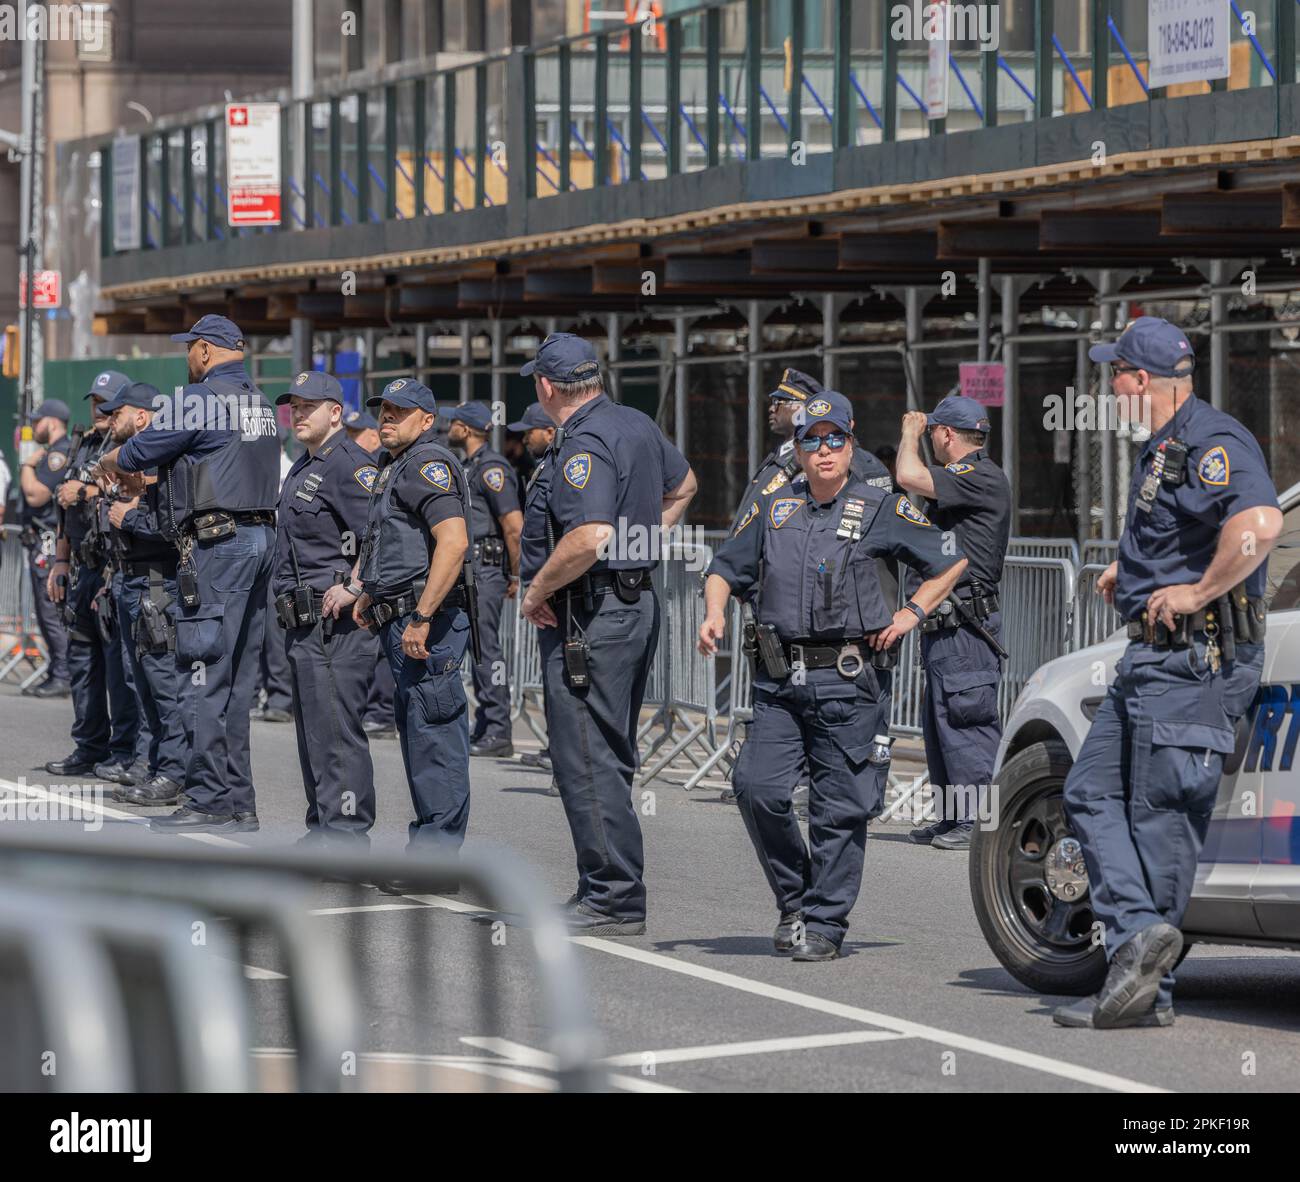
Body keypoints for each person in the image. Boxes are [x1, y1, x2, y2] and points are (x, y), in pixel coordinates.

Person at [1053, 317, 1280, 1029]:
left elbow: (1262, 525)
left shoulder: (1213, 439)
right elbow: (1191, 529)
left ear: (1139, 379)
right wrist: (1141, 571)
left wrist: (1195, 591)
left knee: (1159, 824)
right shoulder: (1168, 445)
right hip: (1154, 659)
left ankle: (1148, 989)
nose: (1109, 386)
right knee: (1088, 790)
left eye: (1113, 373)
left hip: (1194, 661)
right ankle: (1136, 952)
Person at [699, 391, 967, 961]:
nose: (823, 450)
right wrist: (714, 610)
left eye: (834, 438)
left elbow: (951, 558)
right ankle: (796, 899)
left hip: (849, 681)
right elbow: (725, 566)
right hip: (777, 680)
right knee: (757, 788)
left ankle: (824, 923)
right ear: (796, 448)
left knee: (837, 807)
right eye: (810, 440)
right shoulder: (775, 506)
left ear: (851, 443)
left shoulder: (879, 505)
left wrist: (910, 613)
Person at [519, 332, 697, 935]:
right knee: (605, 750)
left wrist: (538, 588)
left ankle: (613, 896)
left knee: (585, 756)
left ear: (547, 387)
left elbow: (589, 536)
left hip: (592, 613)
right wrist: (638, 542)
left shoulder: (585, 442)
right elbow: (685, 486)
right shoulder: (634, 423)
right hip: (625, 604)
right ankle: (609, 887)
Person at [97, 314, 280, 833]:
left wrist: (109, 458)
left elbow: (136, 453)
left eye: (189, 348)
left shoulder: (199, 399)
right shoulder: (259, 402)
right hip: (259, 540)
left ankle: (208, 798)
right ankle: (238, 802)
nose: (187, 357)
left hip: (218, 547)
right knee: (238, 682)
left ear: (204, 351)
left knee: (199, 672)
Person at [345, 378, 474, 881]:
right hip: (399, 616)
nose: (387, 419)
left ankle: (436, 860)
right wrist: (371, 594)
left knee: (435, 738)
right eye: (384, 411)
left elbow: (454, 542)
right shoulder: (392, 465)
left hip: (429, 623)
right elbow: (394, 544)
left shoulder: (427, 463)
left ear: (426, 420)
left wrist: (420, 617)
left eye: (400, 413)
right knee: (419, 737)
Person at [895, 394, 1011, 850]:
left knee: (968, 721)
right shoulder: (967, 479)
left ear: (945, 434)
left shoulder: (978, 475)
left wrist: (908, 432)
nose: (929, 439)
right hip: (949, 623)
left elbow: (908, 475)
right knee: (942, 722)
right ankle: (954, 817)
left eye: (932, 433)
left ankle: (979, 821)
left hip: (967, 624)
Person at [272, 371, 380, 849]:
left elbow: (379, 534)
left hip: (336, 622)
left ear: (335, 412)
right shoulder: (303, 465)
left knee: (337, 731)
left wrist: (356, 585)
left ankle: (348, 836)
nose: (298, 413)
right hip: (303, 620)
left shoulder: (350, 465)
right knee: (315, 730)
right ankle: (323, 826)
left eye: (308, 406)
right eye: (294, 406)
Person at [43, 374, 142, 780]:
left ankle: (123, 751)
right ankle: (88, 746)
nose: (98, 410)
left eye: (106, 402)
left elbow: (135, 495)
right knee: (82, 661)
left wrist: (86, 493)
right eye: (94, 401)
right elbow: (63, 513)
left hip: (114, 566)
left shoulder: (131, 446)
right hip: (82, 565)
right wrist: (60, 562)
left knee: (119, 668)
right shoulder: (82, 444)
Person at [98, 381, 192, 806]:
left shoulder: (164, 458)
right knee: (143, 682)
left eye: (117, 413)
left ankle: (173, 771)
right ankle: (154, 765)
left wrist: (130, 514)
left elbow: (170, 528)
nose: (109, 420)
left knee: (163, 681)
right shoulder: (133, 459)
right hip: (132, 577)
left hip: (158, 579)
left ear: (141, 415)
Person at [446, 400, 523, 757]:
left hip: (488, 569)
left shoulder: (492, 468)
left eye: (455, 423)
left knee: (487, 651)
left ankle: (499, 728)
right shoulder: (469, 466)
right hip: (471, 571)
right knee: (478, 650)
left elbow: (513, 525)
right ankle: (486, 724)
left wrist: (516, 573)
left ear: (466, 428)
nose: (450, 428)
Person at [728, 368, 892, 532]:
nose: (772, 409)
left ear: (801, 409)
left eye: (779, 403)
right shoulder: (781, 454)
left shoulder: (815, 461)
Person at [508, 402, 556, 774]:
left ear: (551, 432)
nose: (525, 437)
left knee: (567, 680)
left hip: (558, 590)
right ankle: (561, 751)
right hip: (544, 590)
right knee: (555, 680)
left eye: (531, 430)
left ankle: (569, 759)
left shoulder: (561, 467)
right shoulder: (541, 467)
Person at [346, 407, 397, 738]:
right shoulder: (376, 466)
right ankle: (378, 708)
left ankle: (384, 710)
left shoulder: (372, 466)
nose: (353, 442)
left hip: (389, 570)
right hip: (373, 569)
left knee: (384, 647)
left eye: (357, 435)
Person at [18, 399, 73, 697]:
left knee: (51, 612)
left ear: (51, 422)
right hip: (41, 542)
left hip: (50, 544)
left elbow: (36, 494)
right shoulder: (51, 453)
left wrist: (26, 464)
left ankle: (63, 674)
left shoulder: (57, 455)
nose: (34, 426)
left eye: (37, 421)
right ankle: (57, 670)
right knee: (44, 611)